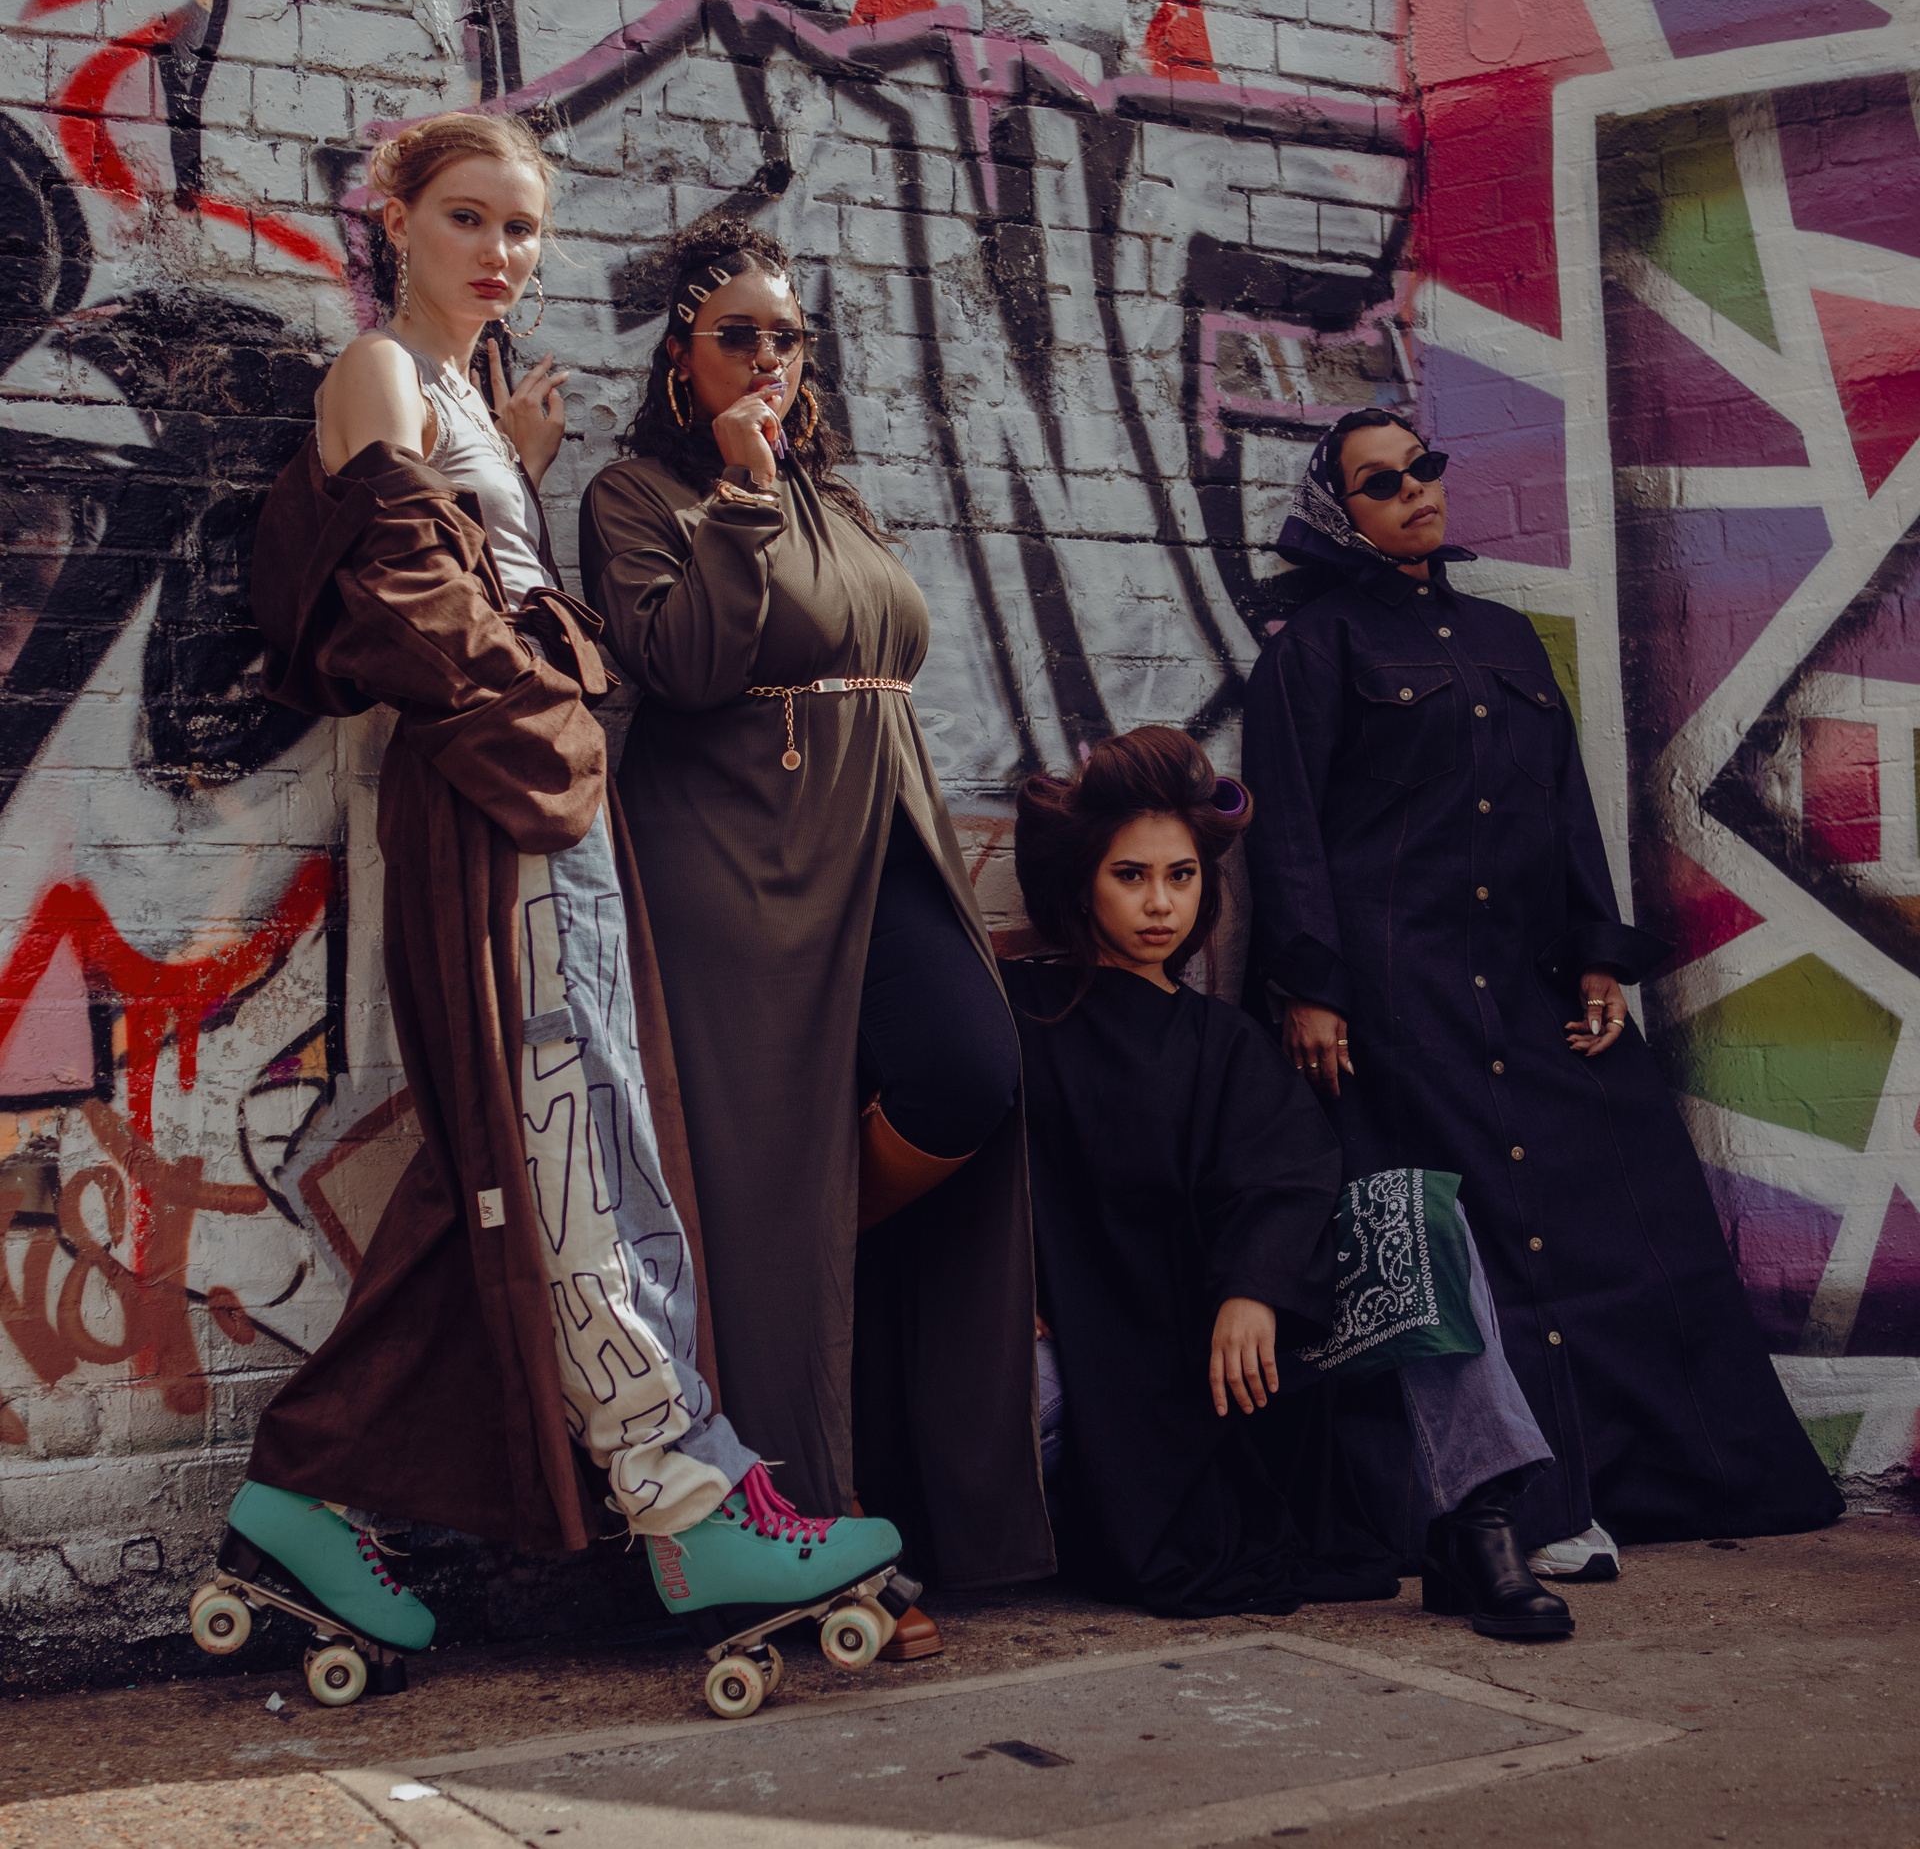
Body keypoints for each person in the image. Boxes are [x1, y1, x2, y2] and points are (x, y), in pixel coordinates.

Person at [228, 114, 901, 1666]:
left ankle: (303, 1492)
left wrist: (514, 484)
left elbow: (465, 560)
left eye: (523, 228)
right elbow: (407, 593)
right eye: (468, 217)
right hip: (506, 790)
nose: (500, 253)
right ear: (393, 217)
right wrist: (551, 727)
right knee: (571, 1134)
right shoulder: (380, 371)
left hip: (534, 788)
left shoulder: (456, 393)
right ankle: (686, 1503)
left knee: (530, 1143)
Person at [1240, 409, 1844, 1575]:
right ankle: (1528, 1510)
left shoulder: (1506, 640)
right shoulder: (1312, 651)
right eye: (1382, 482)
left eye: (1424, 467)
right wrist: (1309, 986)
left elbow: (1566, 806)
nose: (1417, 490)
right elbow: (1291, 831)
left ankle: (1658, 1481)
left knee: (1615, 1210)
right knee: (1477, 1249)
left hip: (1526, 987)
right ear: (1340, 515)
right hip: (1399, 1002)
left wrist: (1597, 955)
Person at [578, 215, 1052, 1655]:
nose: (770, 357)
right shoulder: (636, 495)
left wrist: (773, 484)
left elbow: (881, 653)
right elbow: (683, 663)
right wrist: (736, 493)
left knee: (971, 1070)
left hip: (883, 829)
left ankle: (792, 1266)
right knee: (768, 1165)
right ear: (681, 353)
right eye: (740, 334)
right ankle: (796, 1534)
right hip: (742, 860)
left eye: (788, 336)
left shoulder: (828, 494)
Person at [1005, 726, 1573, 1638]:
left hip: (1229, 1346)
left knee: (1413, 1214)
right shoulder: (1019, 1012)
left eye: (1182, 876)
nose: (1161, 904)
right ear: (1083, 882)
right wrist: (1004, 1284)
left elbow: (1288, 1170)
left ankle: (1480, 1520)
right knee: (995, 1412)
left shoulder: (1224, 1039)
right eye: (1131, 876)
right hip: (1085, 1351)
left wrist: (1255, 1287)